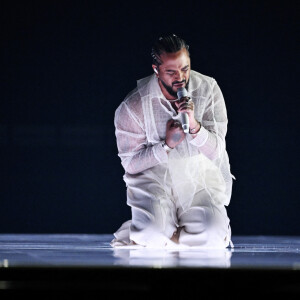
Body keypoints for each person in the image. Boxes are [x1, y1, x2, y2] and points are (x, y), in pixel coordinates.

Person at [111, 34, 235, 248]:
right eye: (171, 71)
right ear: (156, 69)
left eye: (185, 69)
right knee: (151, 233)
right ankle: (148, 229)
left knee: (212, 234)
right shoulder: (133, 106)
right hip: (153, 177)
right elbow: (130, 164)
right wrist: (166, 145)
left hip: (197, 173)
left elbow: (216, 151)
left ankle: (167, 233)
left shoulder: (208, 89)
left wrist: (195, 127)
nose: (180, 77)